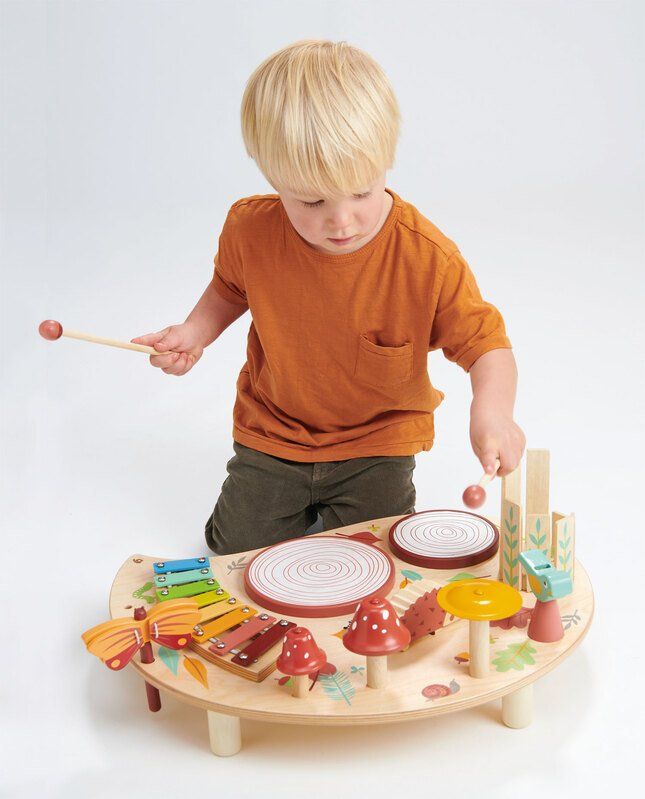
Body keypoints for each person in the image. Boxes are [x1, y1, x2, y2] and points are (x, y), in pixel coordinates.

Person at [133, 39, 526, 555]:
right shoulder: (249, 229)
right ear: (272, 177)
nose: (341, 221)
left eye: (361, 192)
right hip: (275, 434)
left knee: (381, 557)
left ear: (386, 159)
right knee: (233, 550)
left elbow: (486, 345)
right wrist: (194, 333)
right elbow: (229, 288)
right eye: (312, 200)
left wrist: (493, 412)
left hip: (376, 446)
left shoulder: (427, 256)